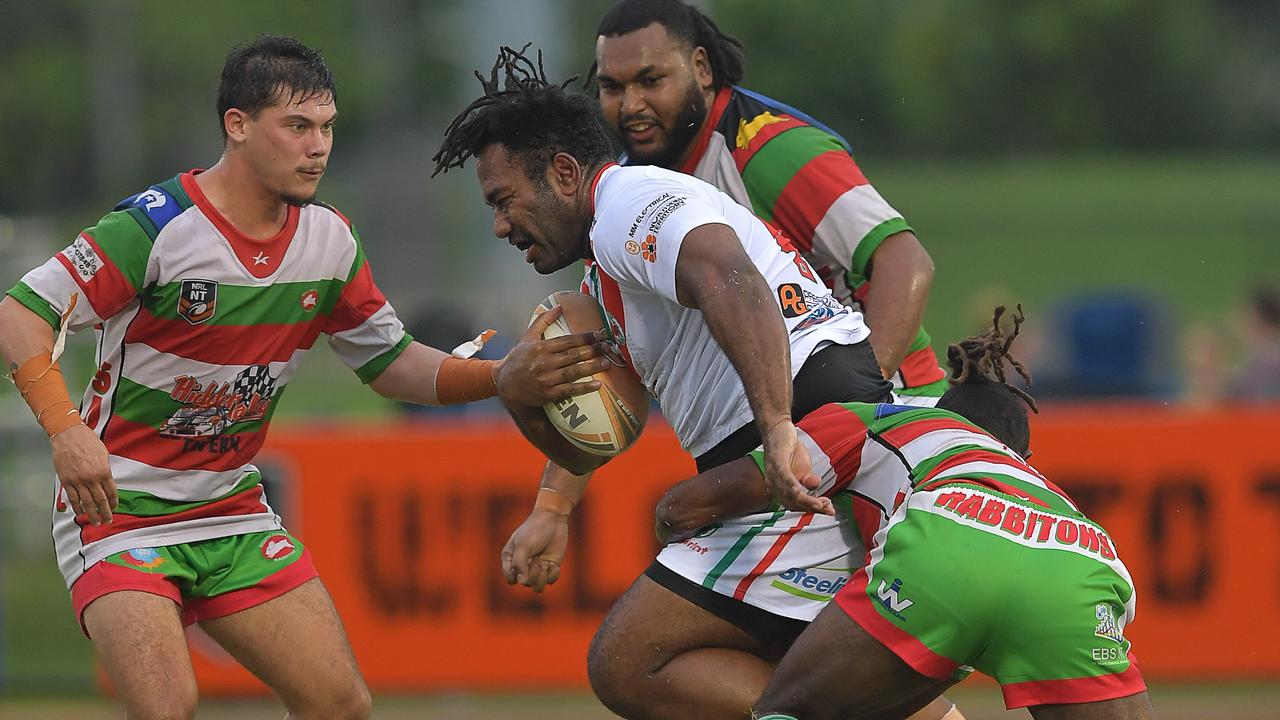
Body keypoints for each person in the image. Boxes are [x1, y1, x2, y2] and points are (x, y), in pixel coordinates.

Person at [0, 36, 604, 720]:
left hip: (229, 510)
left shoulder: (329, 241)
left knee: (341, 705)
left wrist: (502, 377)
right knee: (167, 708)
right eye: (297, 127)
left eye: (327, 128)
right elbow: (21, 313)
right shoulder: (156, 228)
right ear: (237, 126)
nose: (318, 146)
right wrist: (65, 430)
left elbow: (393, 363)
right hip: (120, 515)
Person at [431, 45, 902, 716]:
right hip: (818, 430)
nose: (501, 225)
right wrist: (546, 490)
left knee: (632, 660)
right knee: (837, 676)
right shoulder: (606, 265)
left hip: (806, 432)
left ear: (564, 173)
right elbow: (599, 436)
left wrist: (775, 427)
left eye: (505, 200)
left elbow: (729, 276)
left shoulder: (629, 202)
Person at [657, 307, 1157, 720]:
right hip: (1083, 563)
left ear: (944, 411)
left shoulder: (901, 419)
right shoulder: (1046, 491)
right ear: (1022, 459)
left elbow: (698, 500)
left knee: (785, 713)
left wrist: (671, 518)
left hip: (945, 543)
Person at [591, 0, 944, 405]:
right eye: (612, 88)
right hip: (784, 419)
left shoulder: (770, 149)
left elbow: (905, 260)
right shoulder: (625, 193)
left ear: (701, 69)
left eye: (650, 80)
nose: (631, 105)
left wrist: (862, 397)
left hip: (895, 406)